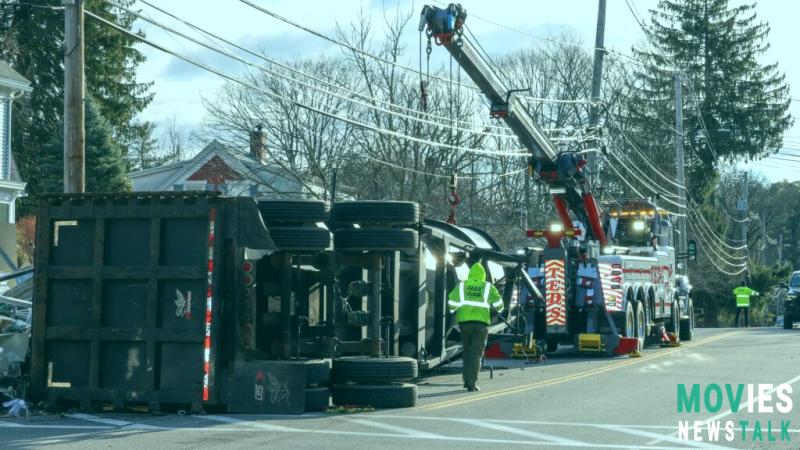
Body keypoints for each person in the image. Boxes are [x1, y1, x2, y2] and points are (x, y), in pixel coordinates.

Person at [447, 262, 503, 392]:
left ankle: (467, 380)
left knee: (467, 353)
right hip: (481, 325)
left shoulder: (462, 286)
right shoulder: (488, 287)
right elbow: (500, 305)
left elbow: (451, 302)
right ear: (483, 275)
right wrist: (496, 311)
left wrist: (455, 311)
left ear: (470, 273)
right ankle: (472, 383)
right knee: (476, 354)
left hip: (464, 325)